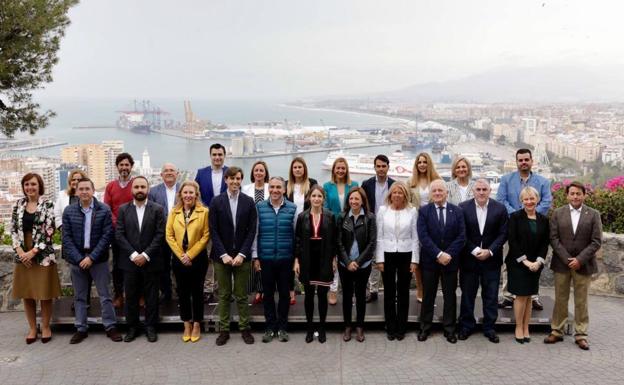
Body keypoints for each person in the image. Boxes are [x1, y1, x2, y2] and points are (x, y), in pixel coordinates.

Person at [62, 177, 122, 344]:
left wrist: (92, 257)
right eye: (81, 189)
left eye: (87, 188)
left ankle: (110, 327)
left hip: (99, 259)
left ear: (93, 190)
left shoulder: (104, 210)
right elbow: (66, 239)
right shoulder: (69, 211)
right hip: (77, 260)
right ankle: (81, 328)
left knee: (105, 295)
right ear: (76, 191)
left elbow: (107, 236)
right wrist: (80, 259)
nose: (84, 192)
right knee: (80, 297)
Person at [545, 181, 602, 350]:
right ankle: (557, 331)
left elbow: (596, 241)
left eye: (578, 193)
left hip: (583, 265)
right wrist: (567, 259)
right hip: (562, 264)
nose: (575, 196)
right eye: (572, 193)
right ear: (567, 195)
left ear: (584, 195)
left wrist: (579, 259)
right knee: (560, 299)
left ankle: (581, 334)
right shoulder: (557, 213)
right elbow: (553, 239)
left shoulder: (593, 214)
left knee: (581, 301)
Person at [496, 148, 552, 310]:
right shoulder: (506, 179)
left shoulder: (543, 182)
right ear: (517, 162)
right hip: (511, 227)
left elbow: (546, 202)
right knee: (509, 260)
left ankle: (533, 296)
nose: (523, 162)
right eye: (520, 160)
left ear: (532, 161)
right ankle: (508, 295)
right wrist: (519, 217)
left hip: (534, 227)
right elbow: (501, 200)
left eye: (526, 159)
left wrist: (528, 216)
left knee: (533, 260)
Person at [210, 167, 257, 346]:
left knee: (242, 294)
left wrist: (242, 253)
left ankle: (245, 328)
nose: (235, 182)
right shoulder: (216, 201)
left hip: (242, 257)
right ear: (226, 180)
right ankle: (224, 330)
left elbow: (252, 230)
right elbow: (213, 230)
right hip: (221, 257)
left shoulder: (248, 201)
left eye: (238, 179)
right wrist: (223, 254)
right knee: (223, 294)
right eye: (232, 179)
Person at [11, 173, 60, 344]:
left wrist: (32, 252)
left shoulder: (47, 205)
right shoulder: (18, 205)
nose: (30, 187)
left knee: (45, 293)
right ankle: (32, 328)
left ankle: (46, 326)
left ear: (39, 186)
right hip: (22, 252)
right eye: (26, 184)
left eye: (33, 184)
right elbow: (13, 230)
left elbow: (49, 231)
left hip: (42, 254)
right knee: (28, 294)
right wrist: (20, 252)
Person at [115, 176, 166, 343]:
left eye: (142, 187)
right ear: (132, 190)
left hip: (151, 260)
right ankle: (132, 327)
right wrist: (133, 255)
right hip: (129, 262)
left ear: (148, 189)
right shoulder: (123, 210)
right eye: (136, 187)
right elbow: (120, 234)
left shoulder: (157, 209)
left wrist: (145, 255)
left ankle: (150, 327)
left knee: (152, 296)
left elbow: (160, 234)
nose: (139, 190)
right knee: (131, 295)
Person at [457, 179, 508, 343]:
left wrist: (490, 251)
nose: (481, 192)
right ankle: (466, 326)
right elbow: (461, 233)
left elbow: (503, 234)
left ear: (489, 191)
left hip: (491, 261)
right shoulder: (463, 207)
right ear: (473, 191)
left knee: (491, 296)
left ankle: (489, 327)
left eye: (484, 189)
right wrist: (475, 250)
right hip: (469, 260)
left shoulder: (499, 209)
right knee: (467, 295)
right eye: (478, 189)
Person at [417, 179, 466, 344]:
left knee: (450, 296)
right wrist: (438, 254)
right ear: (431, 194)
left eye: (440, 190)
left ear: (447, 192)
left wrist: (448, 255)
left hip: (450, 262)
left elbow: (461, 236)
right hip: (430, 261)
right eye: (434, 191)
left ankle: (450, 329)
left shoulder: (457, 211)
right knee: (428, 295)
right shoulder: (424, 211)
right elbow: (423, 236)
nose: (437, 193)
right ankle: (425, 327)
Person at [253, 176, 298, 343]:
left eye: (278, 187)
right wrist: (256, 257)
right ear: (268, 189)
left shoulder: (293, 208)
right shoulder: (260, 207)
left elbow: (296, 235)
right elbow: (256, 234)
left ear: (284, 189)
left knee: (285, 295)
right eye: (272, 187)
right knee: (268, 294)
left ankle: (283, 327)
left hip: (286, 258)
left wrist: (296, 258)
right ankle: (270, 327)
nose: (275, 190)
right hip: (266, 258)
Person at [166, 180, 210, 343]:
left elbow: (206, 235)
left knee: (197, 292)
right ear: (181, 195)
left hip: (198, 259)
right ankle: (186, 324)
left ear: (196, 195)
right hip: (178, 259)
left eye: (191, 192)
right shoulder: (174, 212)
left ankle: (197, 323)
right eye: (185, 192)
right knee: (182, 292)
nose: (188, 195)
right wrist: (181, 255)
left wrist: (190, 255)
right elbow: (169, 235)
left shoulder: (204, 212)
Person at [506, 186, 549, 344]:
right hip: (518, 263)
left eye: (532, 198)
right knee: (520, 296)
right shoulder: (515, 217)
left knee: (530, 296)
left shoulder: (544, 219)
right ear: (521, 201)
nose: (529, 202)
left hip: (535, 265)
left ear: (537, 200)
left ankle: (526, 327)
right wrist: (525, 261)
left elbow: (545, 243)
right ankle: (518, 327)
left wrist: (538, 261)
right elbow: (513, 241)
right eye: (526, 199)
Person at [376, 181, 418, 341]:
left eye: (400, 192)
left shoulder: (412, 211)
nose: (397, 195)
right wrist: (379, 259)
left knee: (403, 291)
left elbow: (415, 237)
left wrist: (415, 261)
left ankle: (402, 326)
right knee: (388, 292)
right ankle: (390, 326)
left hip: (406, 253)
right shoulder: (383, 211)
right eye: (394, 192)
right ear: (390, 195)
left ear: (405, 195)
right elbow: (379, 236)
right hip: (387, 253)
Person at [294, 185, 336, 343]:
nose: (316, 199)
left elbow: (334, 241)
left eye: (319, 196)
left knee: (323, 296)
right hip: (307, 258)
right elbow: (297, 241)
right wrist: (296, 261)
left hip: (324, 258)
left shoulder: (330, 216)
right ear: (309, 198)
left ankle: (322, 327)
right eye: (314, 196)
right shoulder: (302, 216)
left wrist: (333, 259)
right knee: (309, 296)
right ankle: (310, 328)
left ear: (323, 199)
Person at [337, 187, 376, 342]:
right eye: (351, 199)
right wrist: (347, 262)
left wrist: (358, 262)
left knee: (360, 296)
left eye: (357, 199)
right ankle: (347, 326)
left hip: (363, 264)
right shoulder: (342, 217)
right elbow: (338, 242)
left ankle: (360, 326)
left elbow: (372, 243)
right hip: (344, 264)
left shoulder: (370, 217)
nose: (353, 201)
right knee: (346, 295)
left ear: (362, 201)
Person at [195, 143, 228, 303]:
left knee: (225, 256)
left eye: (220, 154)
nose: (217, 157)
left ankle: (225, 289)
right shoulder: (201, 173)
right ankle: (208, 289)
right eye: (214, 154)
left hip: (226, 223)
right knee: (207, 257)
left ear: (224, 156)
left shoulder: (231, 172)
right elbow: (196, 195)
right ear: (210, 156)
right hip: (205, 222)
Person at [324, 157, 359, 306]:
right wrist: (337, 217)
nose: (340, 170)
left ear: (346, 170)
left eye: (342, 168)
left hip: (350, 226)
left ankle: (349, 291)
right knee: (333, 258)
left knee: (349, 257)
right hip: (332, 226)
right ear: (333, 170)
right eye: (337, 168)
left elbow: (357, 203)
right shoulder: (327, 186)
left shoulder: (354, 184)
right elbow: (325, 207)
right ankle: (332, 289)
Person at [54, 169, 92, 308]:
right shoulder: (62, 196)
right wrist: (64, 229)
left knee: (87, 272)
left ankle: (86, 300)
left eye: (79, 179)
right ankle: (78, 300)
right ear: (70, 182)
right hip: (70, 241)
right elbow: (57, 215)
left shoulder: (89, 195)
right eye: (73, 180)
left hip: (86, 241)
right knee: (74, 272)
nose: (76, 182)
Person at [361, 154, 395, 303]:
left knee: (390, 259)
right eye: (378, 166)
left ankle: (391, 291)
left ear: (388, 167)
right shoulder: (367, 184)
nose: (381, 169)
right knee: (373, 259)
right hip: (372, 226)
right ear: (374, 167)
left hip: (390, 226)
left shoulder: (394, 184)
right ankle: (373, 290)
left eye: (383, 166)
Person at [284, 157, 318, 305]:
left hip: (306, 228)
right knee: (289, 260)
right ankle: (291, 292)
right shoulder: (286, 185)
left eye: (300, 167)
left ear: (304, 169)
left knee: (306, 260)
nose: (297, 169)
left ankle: (309, 290)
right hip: (288, 227)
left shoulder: (312, 183)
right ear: (292, 170)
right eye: (295, 167)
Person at [104, 152, 135, 309]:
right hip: (116, 232)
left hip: (135, 231)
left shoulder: (136, 184)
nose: (124, 167)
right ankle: (118, 295)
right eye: (121, 165)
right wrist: (118, 225)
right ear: (117, 167)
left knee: (137, 263)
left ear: (131, 166)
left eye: (127, 165)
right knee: (117, 265)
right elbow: (107, 208)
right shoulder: (111, 186)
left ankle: (139, 294)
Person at [407, 152, 440, 302]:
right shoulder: (410, 182)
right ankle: (420, 288)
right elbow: (407, 202)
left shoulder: (436, 180)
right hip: (416, 221)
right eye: (419, 162)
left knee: (432, 255)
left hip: (434, 221)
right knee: (418, 257)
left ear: (429, 164)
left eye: (424, 162)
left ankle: (430, 289)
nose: (422, 164)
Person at [148, 162, 180, 302]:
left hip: (181, 235)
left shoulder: (184, 189)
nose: (169, 172)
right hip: (161, 236)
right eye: (166, 170)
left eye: (172, 170)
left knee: (180, 265)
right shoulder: (154, 192)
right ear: (161, 175)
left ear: (177, 174)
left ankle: (181, 292)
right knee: (163, 266)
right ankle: (166, 293)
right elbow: (150, 213)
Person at [241, 160, 269, 305]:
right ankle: (252, 290)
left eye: (261, 170)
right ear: (252, 173)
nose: (258, 173)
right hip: (250, 227)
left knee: (264, 259)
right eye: (256, 170)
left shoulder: (271, 188)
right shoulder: (246, 188)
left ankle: (262, 290)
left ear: (265, 173)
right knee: (253, 259)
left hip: (267, 227)